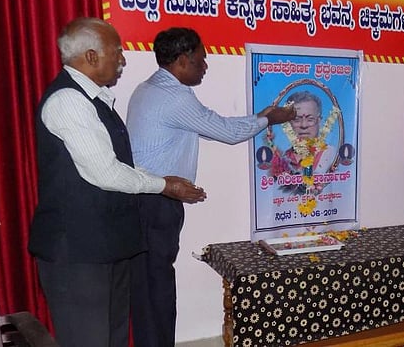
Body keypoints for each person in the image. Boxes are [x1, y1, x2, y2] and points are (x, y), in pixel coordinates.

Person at [28, 17, 206, 347]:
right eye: (117, 51)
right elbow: (106, 173)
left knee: (114, 338)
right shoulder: (68, 102)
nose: (123, 60)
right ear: (91, 56)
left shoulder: (96, 100)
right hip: (77, 254)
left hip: (105, 245)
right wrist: (166, 185)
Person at [126, 27, 294, 347]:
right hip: (155, 202)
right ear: (182, 60)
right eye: (201, 60)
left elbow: (205, 127)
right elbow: (224, 130)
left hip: (145, 201)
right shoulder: (174, 96)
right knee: (156, 288)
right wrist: (268, 119)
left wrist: (259, 118)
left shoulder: (149, 89)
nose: (206, 66)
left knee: (149, 288)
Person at [267, 90, 339, 194]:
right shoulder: (281, 160)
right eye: (296, 119)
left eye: (310, 119)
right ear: (288, 124)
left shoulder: (333, 156)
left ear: (319, 121)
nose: (304, 125)